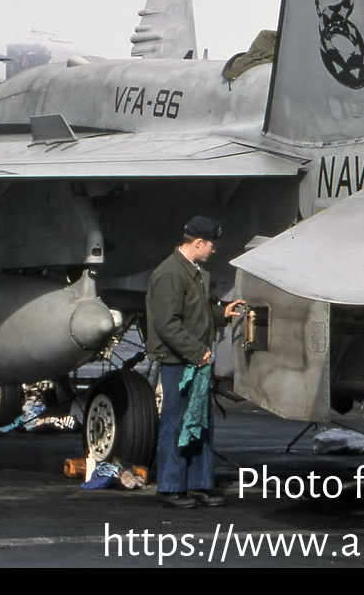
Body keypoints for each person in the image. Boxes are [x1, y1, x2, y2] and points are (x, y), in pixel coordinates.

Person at [145, 215, 246, 509]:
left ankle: (200, 483)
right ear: (198, 242)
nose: (214, 249)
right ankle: (170, 486)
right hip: (179, 361)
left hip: (195, 360)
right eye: (211, 243)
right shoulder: (170, 274)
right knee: (175, 423)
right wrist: (195, 351)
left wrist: (222, 314)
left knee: (200, 423)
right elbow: (167, 325)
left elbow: (196, 314)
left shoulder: (195, 272)